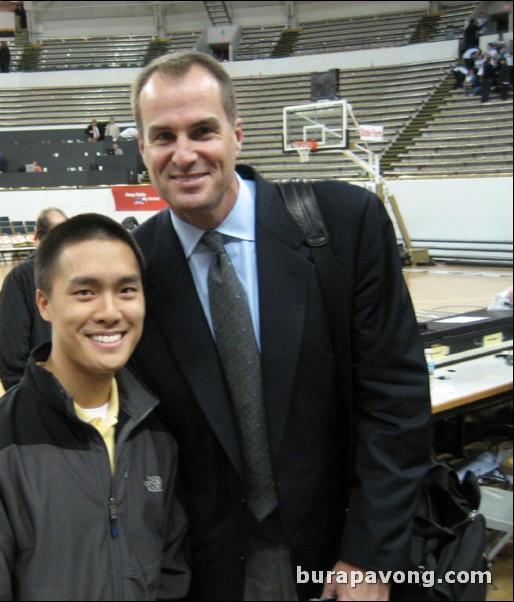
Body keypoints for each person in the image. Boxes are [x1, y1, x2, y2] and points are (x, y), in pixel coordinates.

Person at [128, 51, 431, 601]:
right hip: (211, 570)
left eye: (203, 131)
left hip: (345, 550)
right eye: (163, 137)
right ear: (143, 149)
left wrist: (370, 554)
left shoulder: (344, 223)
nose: (185, 154)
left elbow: (395, 400)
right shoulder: (133, 269)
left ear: (237, 134)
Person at [0, 213, 190, 600]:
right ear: (44, 303)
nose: (110, 312)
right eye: (85, 292)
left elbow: (172, 578)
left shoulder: (157, 436)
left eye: (126, 291)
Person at [0, 207, 67, 390]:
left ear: (35, 234)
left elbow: (8, 355)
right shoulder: (22, 278)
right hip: (45, 394)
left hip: (49, 395)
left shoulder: (19, 278)